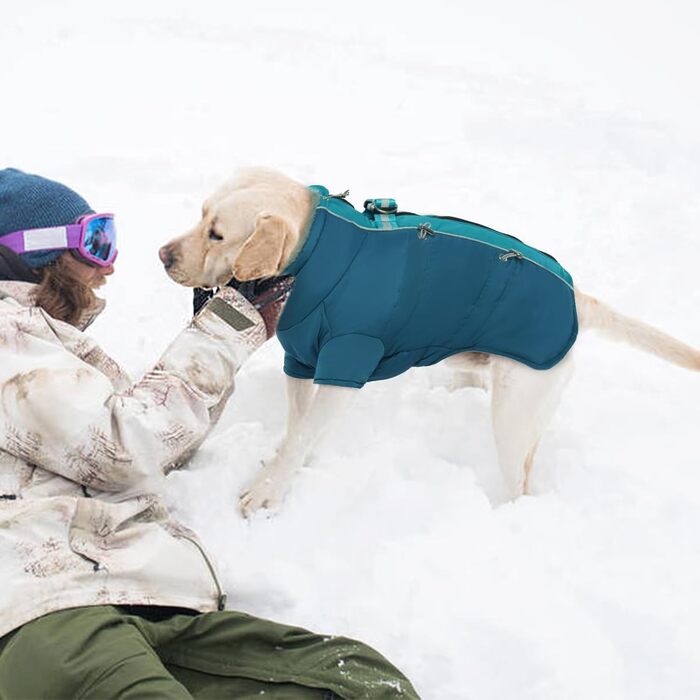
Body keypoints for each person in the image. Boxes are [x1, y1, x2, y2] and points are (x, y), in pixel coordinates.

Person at [0, 169, 419, 700]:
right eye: (95, 241)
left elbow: (149, 449)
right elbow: (123, 449)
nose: (109, 267)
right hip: (48, 611)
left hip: (146, 603)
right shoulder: (7, 337)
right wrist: (221, 332)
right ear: (31, 253)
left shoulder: (49, 355)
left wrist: (218, 333)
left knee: (354, 680)